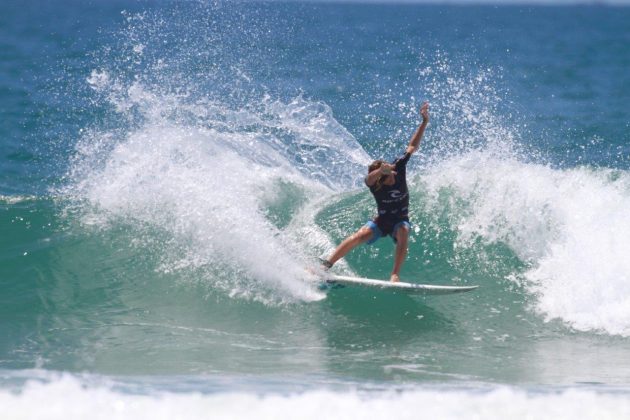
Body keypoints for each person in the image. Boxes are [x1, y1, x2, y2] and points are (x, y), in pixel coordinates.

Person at [320, 102, 430, 282]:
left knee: (403, 230)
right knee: (359, 236)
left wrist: (424, 122)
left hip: (400, 219)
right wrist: (380, 172)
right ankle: (326, 265)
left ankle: (395, 274)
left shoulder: (399, 166)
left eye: (391, 172)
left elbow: (412, 146)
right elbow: (368, 179)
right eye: (388, 175)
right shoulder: (376, 185)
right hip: (382, 220)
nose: (392, 175)